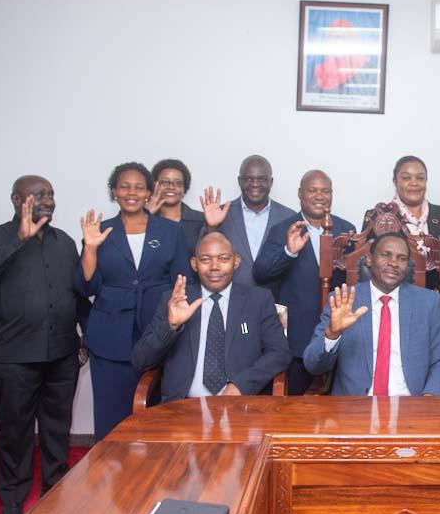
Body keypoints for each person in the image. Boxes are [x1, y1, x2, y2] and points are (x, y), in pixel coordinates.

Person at [0, 175, 89, 514]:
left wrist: (86, 335)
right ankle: (12, 497)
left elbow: (76, 294)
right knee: (15, 429)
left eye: (50, 194)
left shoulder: (64, 242)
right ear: (16, 199)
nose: (47, 200)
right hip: (15, 354)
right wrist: (19, 239)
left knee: (57, 427)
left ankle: (55, 490)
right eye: (38, 195)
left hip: (62, 352)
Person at [75, 162, 190, 440]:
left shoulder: (170, 230)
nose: (131, 192)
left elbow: (182, 281)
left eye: (139, 187)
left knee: (157, 416)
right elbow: (86, 287)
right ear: (114, 192)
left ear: (149, 192)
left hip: (158, 331)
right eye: (124, 187)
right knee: (111, 416)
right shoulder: (100, 230)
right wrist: (90, 248)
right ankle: (110, 465)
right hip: (110, 335)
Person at [131, 232, 292, 400]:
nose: (214, 267)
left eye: (223, 259)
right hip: (182, 407)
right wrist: (171, 326)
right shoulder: (174, 300)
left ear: (236, 261)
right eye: (205, 260)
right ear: (194, 264)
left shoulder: (258, 300)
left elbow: (280, 353)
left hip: (240, 405)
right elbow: (140, 361)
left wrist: (241, 384)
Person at [363, 155, 440, 386]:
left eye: (420, 178)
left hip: (438, 306)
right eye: (406, 177)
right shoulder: (378, 216)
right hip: (393, 307)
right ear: (395, 181)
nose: (414, 183)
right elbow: (369, 267)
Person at [303, 232, 440, 395]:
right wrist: (332, 334)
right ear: (369, 259)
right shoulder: (343, 301)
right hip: (354, 405)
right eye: (385, 255)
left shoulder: (428, 303)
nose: (394, 263)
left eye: (402, 258)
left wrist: (429, 398)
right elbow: (313, 365)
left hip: (412, 403)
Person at [252, 170, 355, 394]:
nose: (319, 196)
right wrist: (288, 252)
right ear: (300, 194)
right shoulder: (283, 229)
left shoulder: (347, 230)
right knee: (297, 406)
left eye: (325, 191)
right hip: (298, 340)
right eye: (312, 190)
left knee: (336, 408)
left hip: (338, 337)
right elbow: (260, 273)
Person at [198, 154, 294, 289]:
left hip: (276, 297)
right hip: (233, 297)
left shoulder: (288, 217)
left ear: (271, 182)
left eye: (262, 179)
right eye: (249, 179)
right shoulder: (220, 214)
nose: (255, 184)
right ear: (239, 181)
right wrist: (211, 227)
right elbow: (202, 257)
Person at [146, 158, 205, 259]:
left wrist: (212, 227)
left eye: (177, 183)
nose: (171, 187)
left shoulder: (201, 220)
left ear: (184, 188)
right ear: (154, 185)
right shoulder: (145, 218)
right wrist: (145, 216)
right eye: (165, 182)